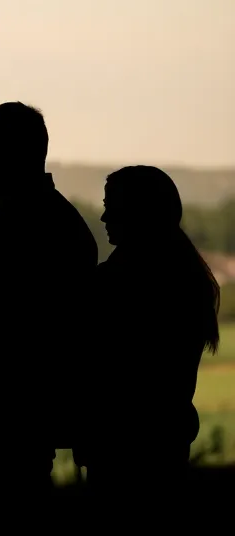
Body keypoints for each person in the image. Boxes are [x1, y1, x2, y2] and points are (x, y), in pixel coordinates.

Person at [0, 102, 98, 495]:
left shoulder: (29, 223)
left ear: (13, 153)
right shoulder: (41, 218)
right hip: (17, 416)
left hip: (10, 415)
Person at [76, 166, 220, 494]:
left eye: (112, 206)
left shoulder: (119, 281)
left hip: (123, 451)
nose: (104, 217)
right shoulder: (184, 276)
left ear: (139, 212)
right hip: (163, 445)